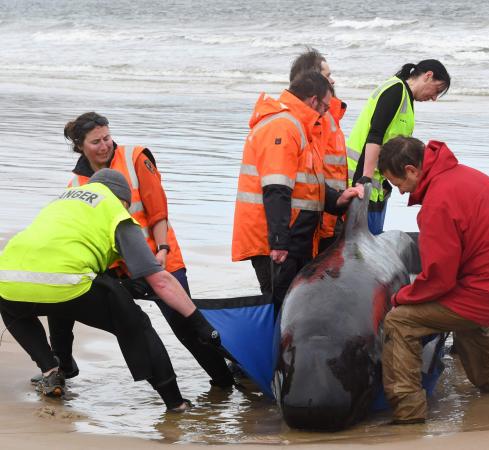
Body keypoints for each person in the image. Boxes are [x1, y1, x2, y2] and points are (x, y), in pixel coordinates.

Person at [0, 169, 221, 411]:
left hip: (7, 279)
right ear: (124, 201)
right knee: (134, 323)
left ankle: (51, 369)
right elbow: (160, 281)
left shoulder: (61, 201)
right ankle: (175, 402)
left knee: (26, 303)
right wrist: (200, 323)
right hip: (66, 281)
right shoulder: (116, 211)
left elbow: (54, 261)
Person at [40, 112, 233, 388]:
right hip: (117, 271)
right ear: (80, 146)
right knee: (63, 306)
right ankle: (61, 367)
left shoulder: (135, 157)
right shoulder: (75, 184)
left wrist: (163, 248)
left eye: (107, 137)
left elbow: (158, 210)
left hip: (159, 257)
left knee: (186, 326)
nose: (105, 145)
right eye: (96, 142)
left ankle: (224, 380)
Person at [377, 137, 489, 424]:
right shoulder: (466, 175)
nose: (400, 191)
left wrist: (401, 297)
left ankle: (408, 413)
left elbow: (439, 280)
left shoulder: (438, 202)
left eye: (396, 182)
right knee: (462, 312)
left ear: (412, 170)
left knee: (400, 321)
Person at [231, 71, 363, 312]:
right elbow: (276, 187)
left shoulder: (298, 126)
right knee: (282, 308)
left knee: (293, 305)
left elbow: (305, 185)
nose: (325, 113)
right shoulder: (283, 126)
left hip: (291, 233)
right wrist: (279, 242)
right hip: (275, 238)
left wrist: (337, 200)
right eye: (325, 106)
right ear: (313, 101)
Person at [346, 59, 450, 234]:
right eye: (437, 90)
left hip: (377, 184)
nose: (434, 98)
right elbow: (375, 134)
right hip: (361, 181)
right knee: (362, 247)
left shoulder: (406, 99)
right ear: (428, 76)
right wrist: (364, 180)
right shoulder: (395, 90)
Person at [289, 47, 348, 253]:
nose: (332, 81)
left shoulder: (329, 115)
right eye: (327, 76)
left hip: (333, 211)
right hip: (319, 217)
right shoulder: (314, 119)